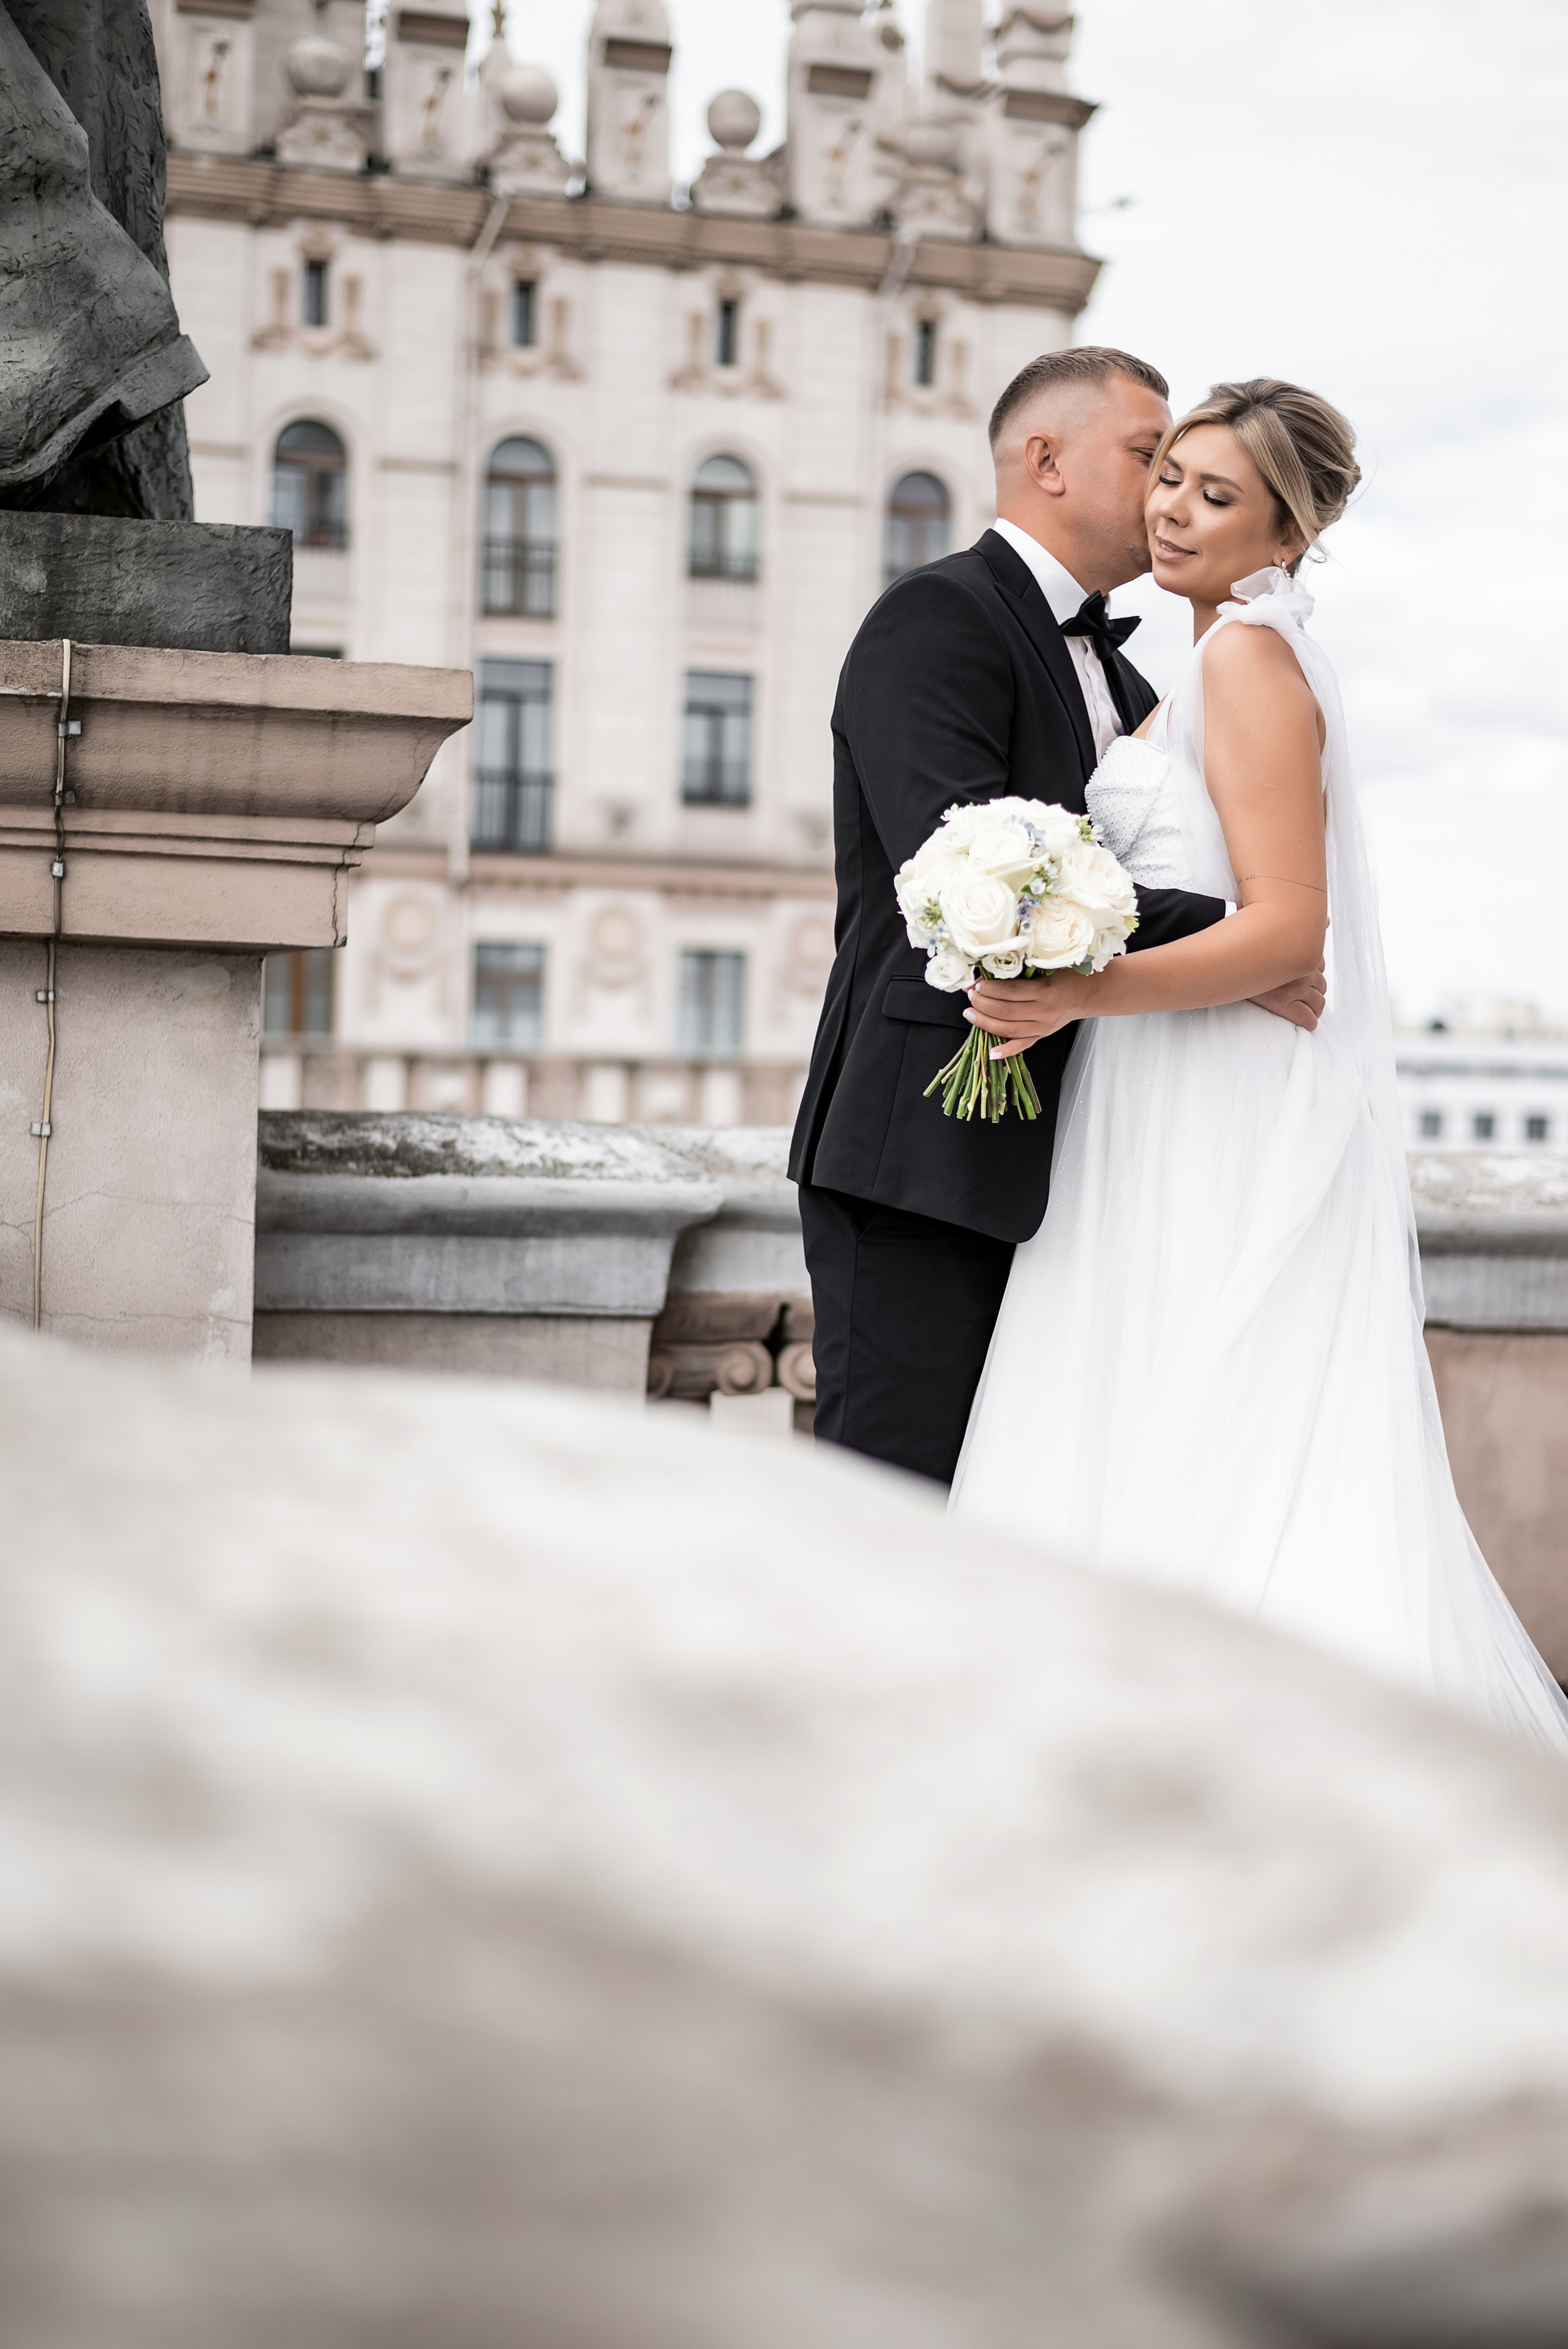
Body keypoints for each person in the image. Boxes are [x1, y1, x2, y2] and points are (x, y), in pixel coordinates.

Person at [949, 377, 1568, 1753]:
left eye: (1215, 496)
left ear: (1285, 534)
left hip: (1206, 1099)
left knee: (1195, 1413)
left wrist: (1070, 993)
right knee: (1156, 1410)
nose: (1172, 509)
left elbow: (1290, 929)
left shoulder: (1242, 660)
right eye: (1167, 475)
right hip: (1164, 1086)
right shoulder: (1206, 658)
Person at [788, 348, 1325, 1487]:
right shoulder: (935, 619)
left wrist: (1249, 944)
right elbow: (978, 858)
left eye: (1189, 472)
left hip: (1076, 1159)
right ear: (1047, 461)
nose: (1166, 491)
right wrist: (1238, 944)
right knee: (886, 1499)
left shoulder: (1138, 692)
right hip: (923, 1150)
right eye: (1149, 458)